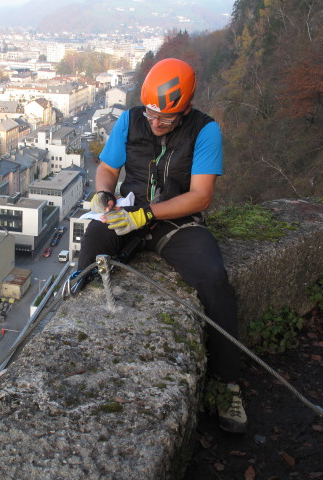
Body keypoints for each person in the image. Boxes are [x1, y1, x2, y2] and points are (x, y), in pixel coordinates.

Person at [75, 58, 247, 433]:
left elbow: (200, 196)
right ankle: (70, 325)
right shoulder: (131, 119)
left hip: (176, 222)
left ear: (183, 109)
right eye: (152, 114)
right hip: (128, 213)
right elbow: (108, 168)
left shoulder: (205, 131)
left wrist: (148, 213)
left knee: (214, 279)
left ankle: (228, 381)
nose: (155, 123)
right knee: (91, 249)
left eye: (165, 119)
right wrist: (104, 194)